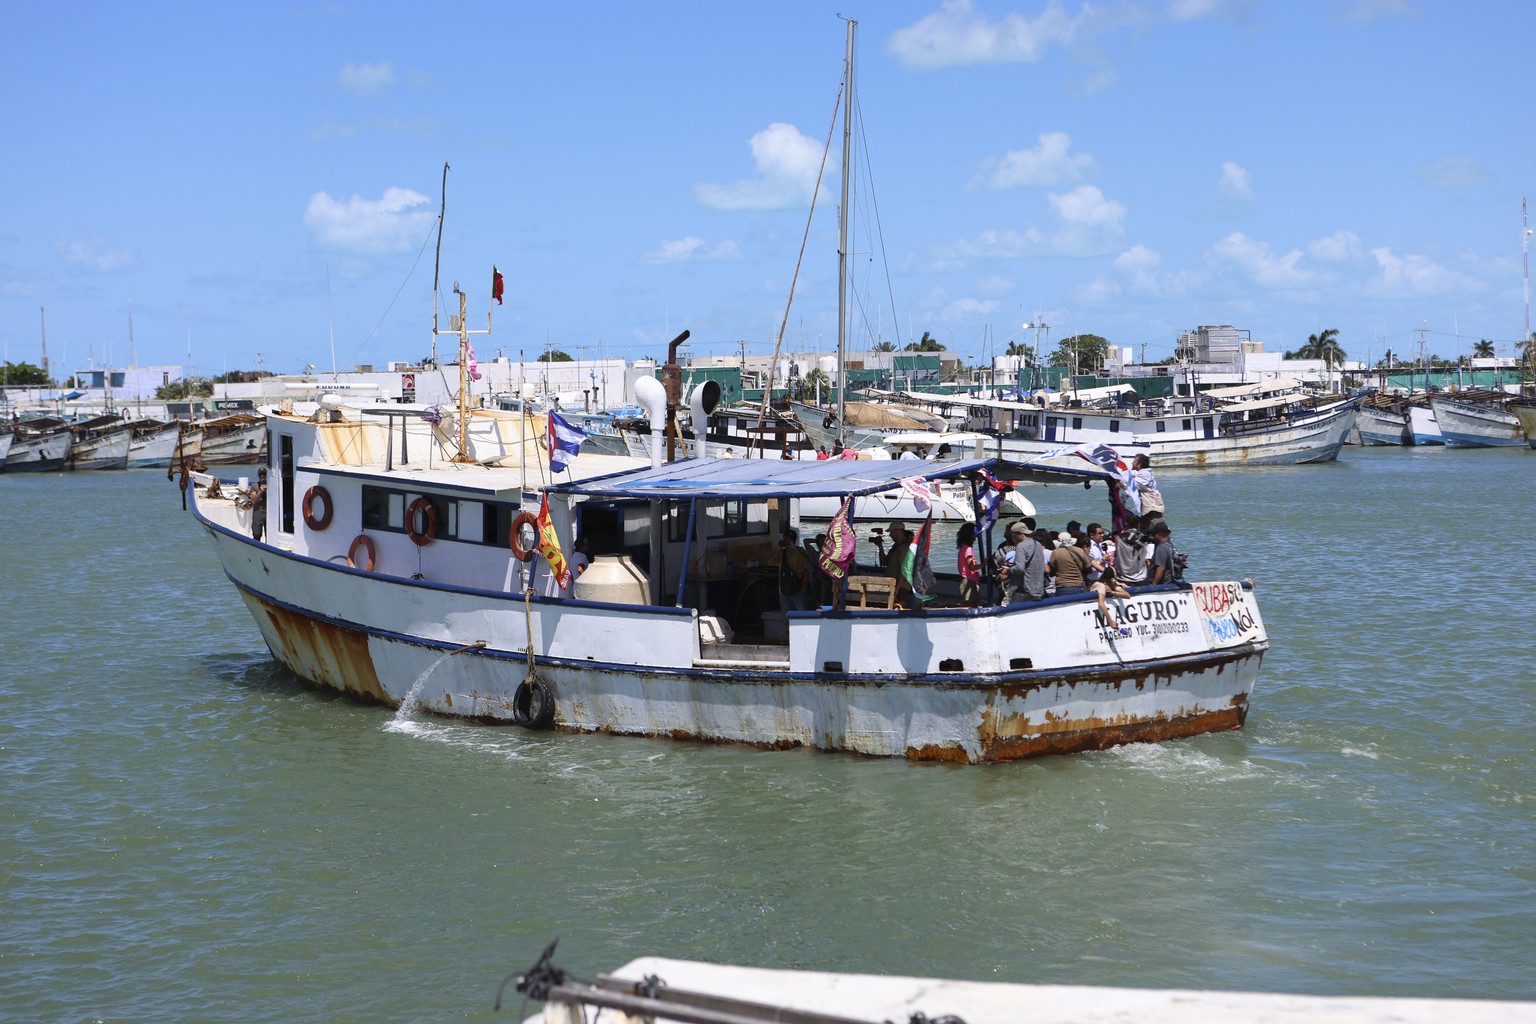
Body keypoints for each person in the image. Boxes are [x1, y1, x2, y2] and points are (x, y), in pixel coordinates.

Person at [778, 528, 812, 611]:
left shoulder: (800, 551)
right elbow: (770, 562)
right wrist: (778, 549)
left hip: (799, 588)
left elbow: (807, 562)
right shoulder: (782, 553)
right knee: (787, 617)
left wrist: (794, 548)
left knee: (802, 615)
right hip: (784, 589)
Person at [1090, 566, 1132, 632]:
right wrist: (1110, 620)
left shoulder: (1110, 584)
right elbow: (1101, 603)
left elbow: (1127, 595)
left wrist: (1114, 593)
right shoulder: (1100, 586)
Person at [882, 521, 914, 606]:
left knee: (899, 606)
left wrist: (897, 589)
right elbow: (885, 562)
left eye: (891, 532)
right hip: (892, 584)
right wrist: (880, 546)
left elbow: (905, 570)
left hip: (901, 586)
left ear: (898, 532)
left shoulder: (904, 547)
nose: (890, 535)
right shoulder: (896, 546)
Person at [1133, 454, 1165, 531]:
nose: (1132, 463)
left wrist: (1121, 480)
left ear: (1139, 464)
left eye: (1134, 461)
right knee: (1144, 529)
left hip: (1152, 508)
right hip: (1147, 509)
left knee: (1155, 529)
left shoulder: (1145, 474)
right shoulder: (1142, 473)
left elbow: (1134, 484)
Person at [956, 522, 982, 607]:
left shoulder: (963, 547)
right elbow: (972, 567)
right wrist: (983, 564)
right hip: (969, 582)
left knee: (970, 603)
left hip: (967, 580)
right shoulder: (968, 549)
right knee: (970, 605)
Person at [1147, 521, 1177, 586]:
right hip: (1169, 582)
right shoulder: (1169, 544)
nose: (1153, 536)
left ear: (1159, 534)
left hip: (1162, 584)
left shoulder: (1161, 548)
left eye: (1154, 534)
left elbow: (1161, 568)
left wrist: (1153, 585)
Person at [244, 468, 268, 541]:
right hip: (258, 512)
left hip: (269, 513)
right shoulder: (254, 486)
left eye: (264, 474)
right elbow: (253, 500)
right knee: (256, 534)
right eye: (261, 475)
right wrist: (261, 491)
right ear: (258, 476)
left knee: (269, 534)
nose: (262, 476)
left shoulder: (271, 484)